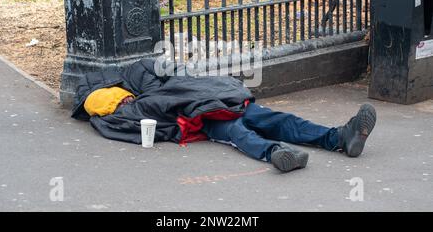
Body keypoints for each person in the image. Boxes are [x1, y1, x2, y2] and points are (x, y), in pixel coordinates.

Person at [72, 59, 376, 174]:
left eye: (122, 98)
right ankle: (277, 153)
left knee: (275, 119)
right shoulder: (119, 114)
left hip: (213, 100)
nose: (124, 103)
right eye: (118, 104)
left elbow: (177, 77)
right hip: (201, 117)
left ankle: (339, 137)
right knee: (234, 130)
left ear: (120, 86)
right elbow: (140, 120)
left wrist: (184, 86)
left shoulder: (140, 72)